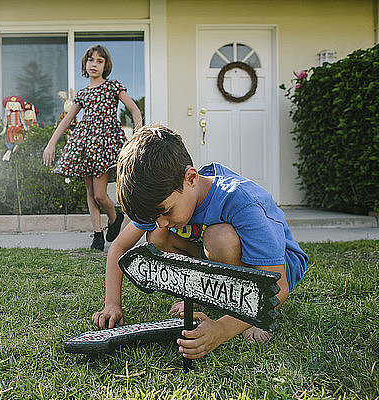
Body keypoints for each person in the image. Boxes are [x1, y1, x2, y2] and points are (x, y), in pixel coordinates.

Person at [91, 124, 308, 359]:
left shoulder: (241, 201)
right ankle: (204, 294)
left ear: (191, 178)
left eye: (166, 212)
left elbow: (278, 286)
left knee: (220, 237)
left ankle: (246, 313)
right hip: (221, 260)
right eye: (155, 216)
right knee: (157, 235)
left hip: (276, 266)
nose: (162, 221)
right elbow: (120, 247)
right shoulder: (167, 198)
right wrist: (112, 303)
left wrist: (222, 329)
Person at [43, 45, 142, 251]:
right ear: (85, 64)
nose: (94, 64)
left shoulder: (113, 87)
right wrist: (51, 143)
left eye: (99, 61)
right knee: (89, 191)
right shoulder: (83, 93)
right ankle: (97, 234)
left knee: (99, 194)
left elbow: (133, 109)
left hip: (105, 143)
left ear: (105, 65)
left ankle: (115, 217)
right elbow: (67, 120)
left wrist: (137, 134)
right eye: (90, 60)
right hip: (85, 143)